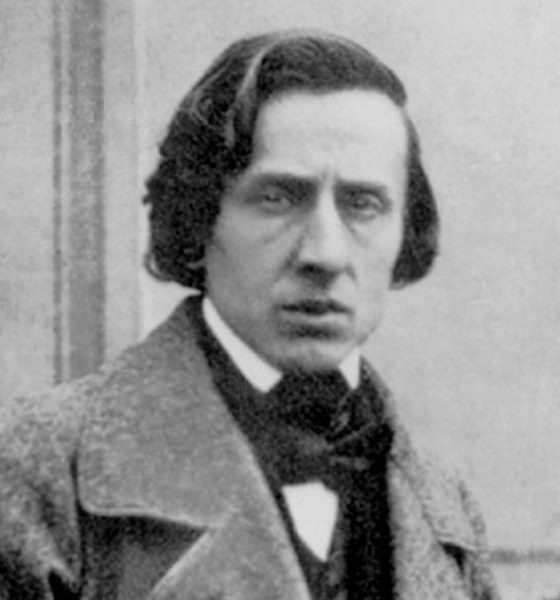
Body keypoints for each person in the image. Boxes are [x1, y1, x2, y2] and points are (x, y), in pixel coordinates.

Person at [0, 30, 499, 599]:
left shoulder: (443, 502)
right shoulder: (44, 468)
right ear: (199, 216)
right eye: (278, 198)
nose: (325, 254)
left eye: (363, 204)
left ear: (403, 231)